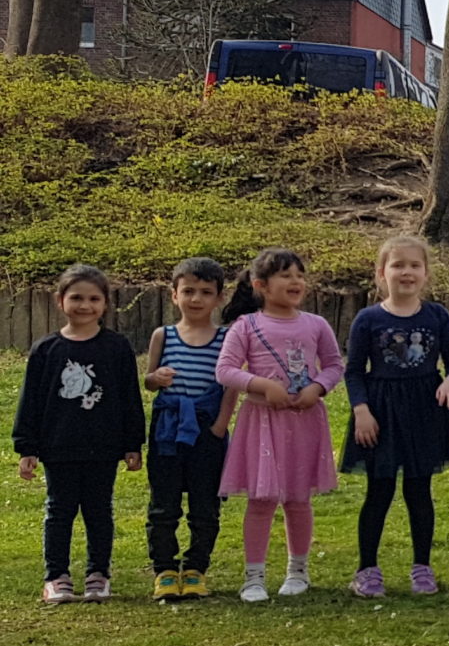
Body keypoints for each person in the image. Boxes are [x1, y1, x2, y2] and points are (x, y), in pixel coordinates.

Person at [340, 235, 449, 597]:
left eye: (414, 265)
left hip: (424, 411)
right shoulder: (368, 319)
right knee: (379, 491)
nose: (406, 272)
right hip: (380, 412)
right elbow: (353, 371)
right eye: (398, 265)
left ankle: (422, 568)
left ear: (426, 273)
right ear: (382, 273)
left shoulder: (437, 316)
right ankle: (366, 570)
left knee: (418, 490)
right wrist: (361, 410)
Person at [216, 247, 344, 602]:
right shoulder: (246, 325)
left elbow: (335, 365)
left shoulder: (316, 324)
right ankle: (253, 577)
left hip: (304, 422)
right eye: (286, 275)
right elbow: (225, 370)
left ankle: (298, 571)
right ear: (261, 285)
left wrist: (317, 388)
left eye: (300, 275)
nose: (295, 281)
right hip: (261, 424)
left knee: (298, 498)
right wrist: (262, 385)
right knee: (261, 500)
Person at [15, 263, 145, 604]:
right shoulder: (46, 350)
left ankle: (98, 575)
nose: (84, 305)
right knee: (59, 511)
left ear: (105, 304)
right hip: (58, 447)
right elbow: (30, 401)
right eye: (76, 298)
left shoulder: (116, 348)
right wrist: (27, 447)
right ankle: (56, 577)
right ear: (60, 300)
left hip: (103, 447)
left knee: (99, 512)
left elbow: (129, 398)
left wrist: (133, 443)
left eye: (93, 299)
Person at [142, 257, 237, 601]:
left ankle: (196, 568)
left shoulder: (226, 338)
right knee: (163, 503)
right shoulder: (163, 335)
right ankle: (165, 570)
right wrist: (155, 378)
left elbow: (231, 384)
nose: (196, 299)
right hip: (167, 430)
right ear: (174, 295)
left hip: (207, 429)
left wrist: (220, 425)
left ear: (219, 298)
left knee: (205, 503)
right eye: (188, 291)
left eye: (206, 292)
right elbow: (148, 381)